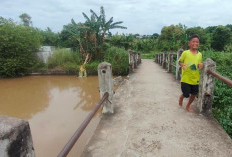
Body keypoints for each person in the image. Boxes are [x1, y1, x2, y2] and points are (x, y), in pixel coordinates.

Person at [178, 35, 204, 112]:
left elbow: (199, 65)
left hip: (195, 78)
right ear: (189, 43)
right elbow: (180, 61)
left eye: (197, 42)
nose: (195, 43)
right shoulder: (185, 53)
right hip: (186, 78)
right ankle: (181, 97)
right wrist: (182, 64)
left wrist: (201, 65)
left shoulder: (200, 54)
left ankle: (188, 106)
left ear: (199, 44)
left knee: (194, 94)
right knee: (186, 94)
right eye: (193, 41)